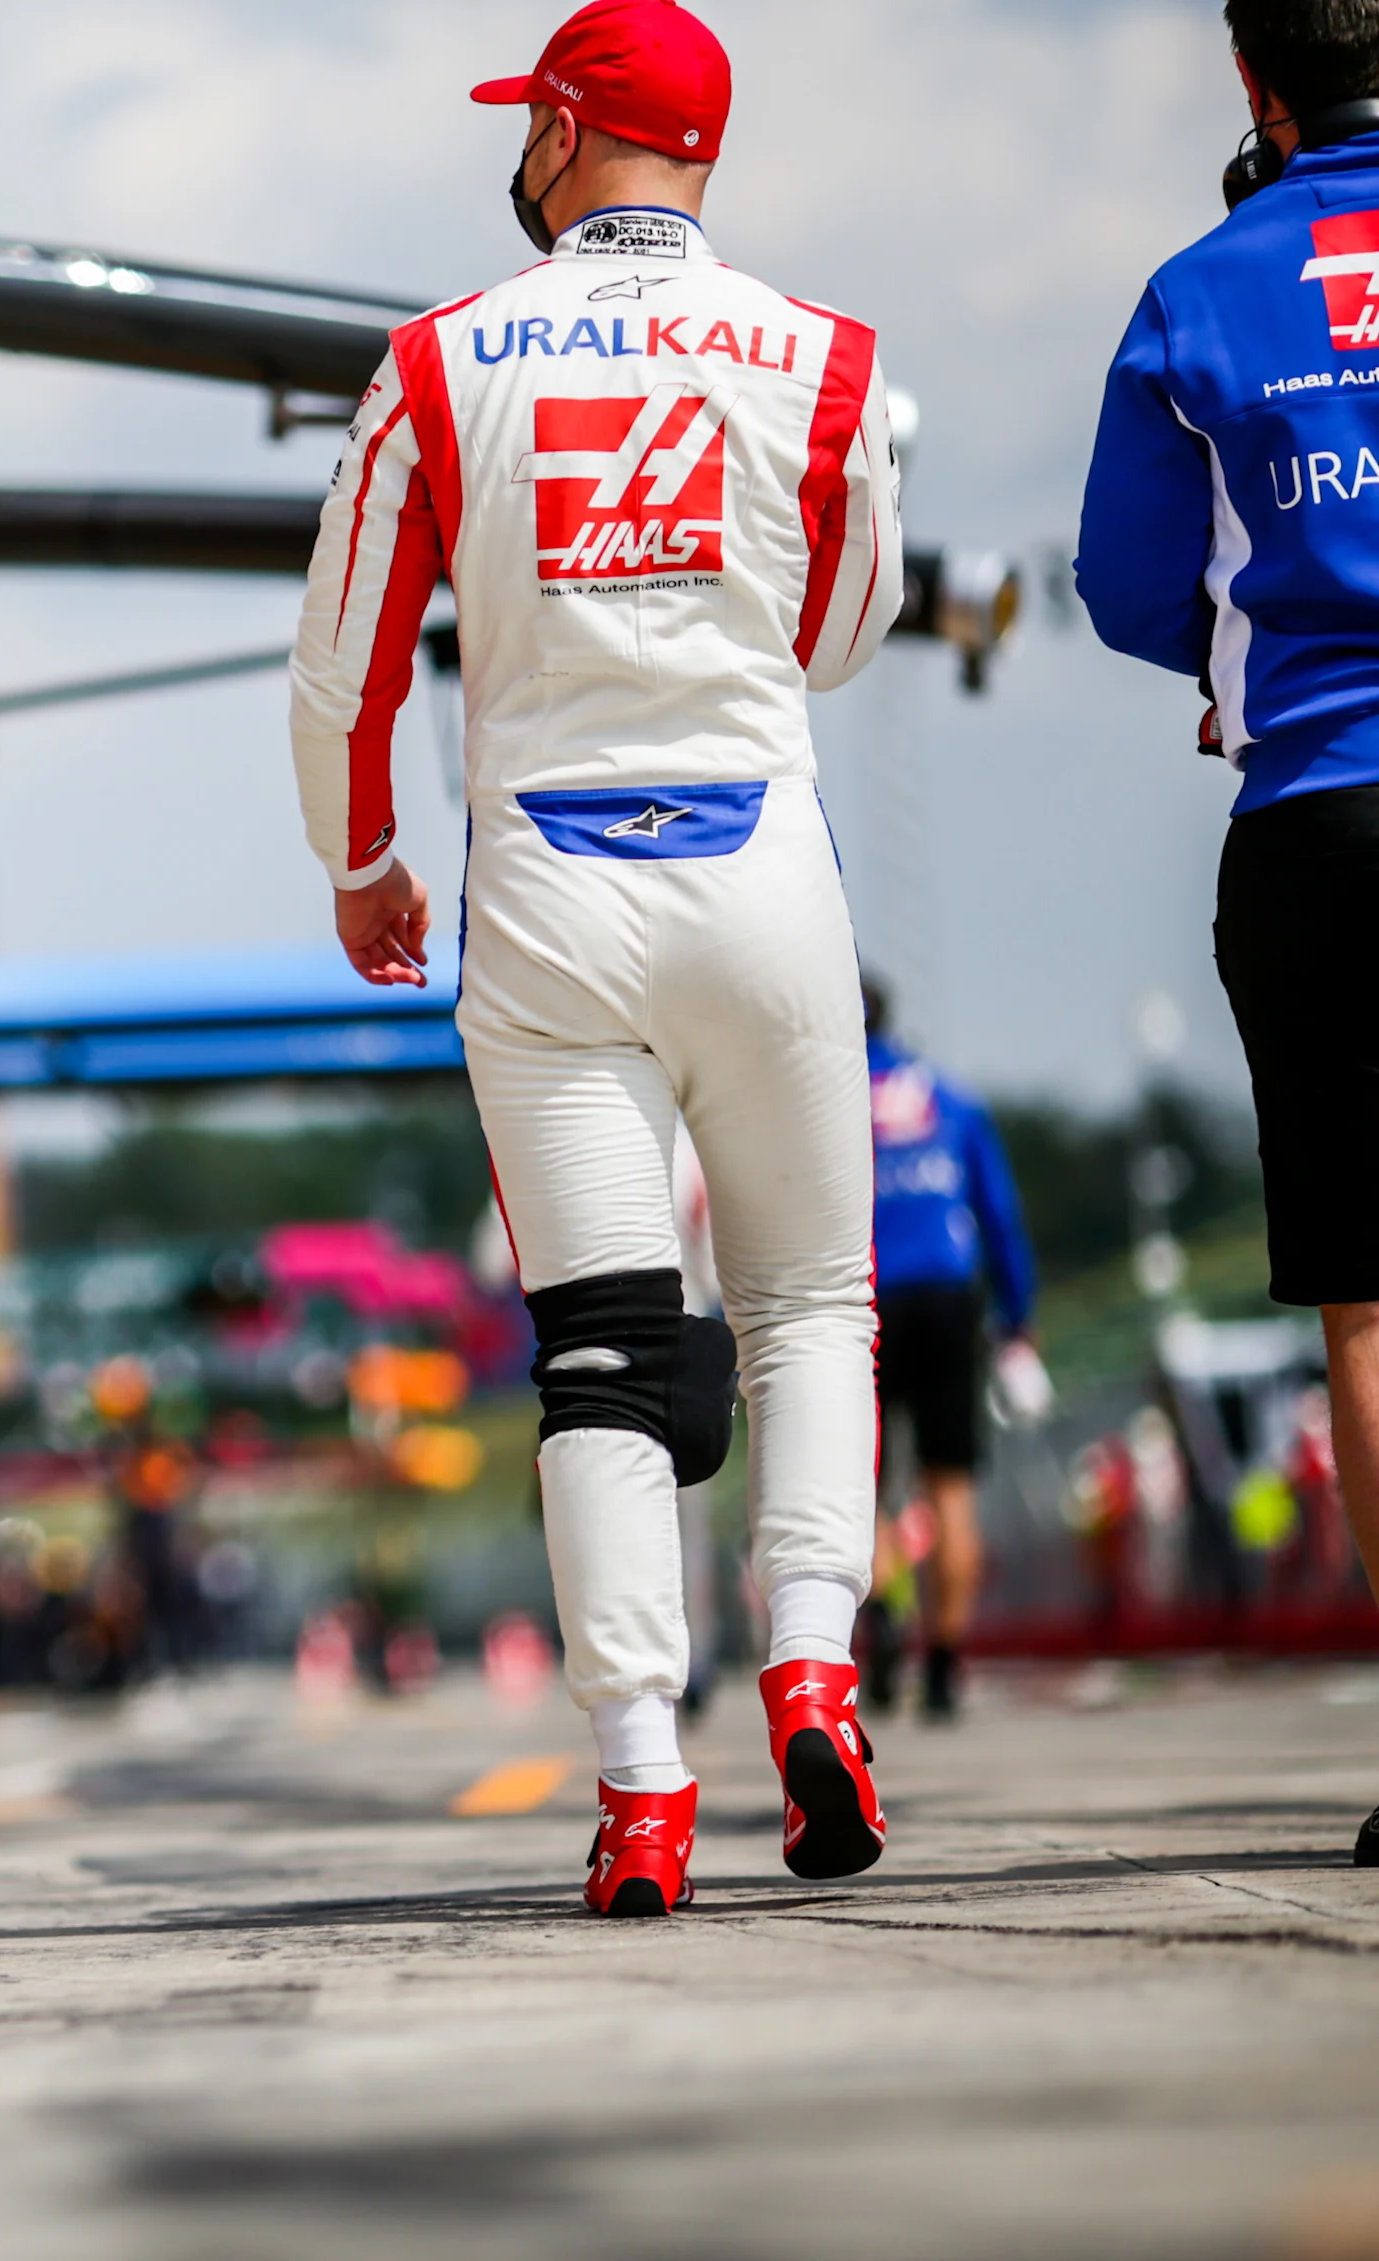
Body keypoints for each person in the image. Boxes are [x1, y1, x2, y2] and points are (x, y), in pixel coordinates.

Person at [292, 0, 904, 1914]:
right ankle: (812, 1671)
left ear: (559, 133)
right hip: (759, 866)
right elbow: (842, 636)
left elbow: (340, 666)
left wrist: (362, 864)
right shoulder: (825, 358)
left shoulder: (435, 359)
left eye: (525, 124)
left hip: (547, 891)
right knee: (809, 1306)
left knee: (601, 1355)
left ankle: (642, 1785)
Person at [1075, 0, 1379, 1871]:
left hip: (1322, 820)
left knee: (1367, 1301)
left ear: (1256, 85)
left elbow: (1123, 585)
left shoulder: (1199, 288)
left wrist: (1230, 653)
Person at [857, 978, 1046, 1723]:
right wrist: (1018, 1314)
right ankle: (942, 1663)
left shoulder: (830, 1101)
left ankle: (881, 1617)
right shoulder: (951, 1099)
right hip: (946, 1292)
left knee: (864, 1488)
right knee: (951, 1484)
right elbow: (999, 1215)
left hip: (863, 1298)